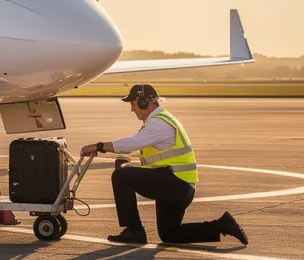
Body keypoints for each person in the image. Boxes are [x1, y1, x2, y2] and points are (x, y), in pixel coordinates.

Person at [81, 84, 247, 246]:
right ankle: (223, 225)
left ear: (143, 102)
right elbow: (143, 149)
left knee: (120, 176)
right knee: (169, 234)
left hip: (176, 183)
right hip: (179, 185)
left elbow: (134, 143)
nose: (132, 109)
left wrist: (100, 146)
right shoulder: (161, 120)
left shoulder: (159, 123)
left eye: (133, 104)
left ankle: (134, 230)